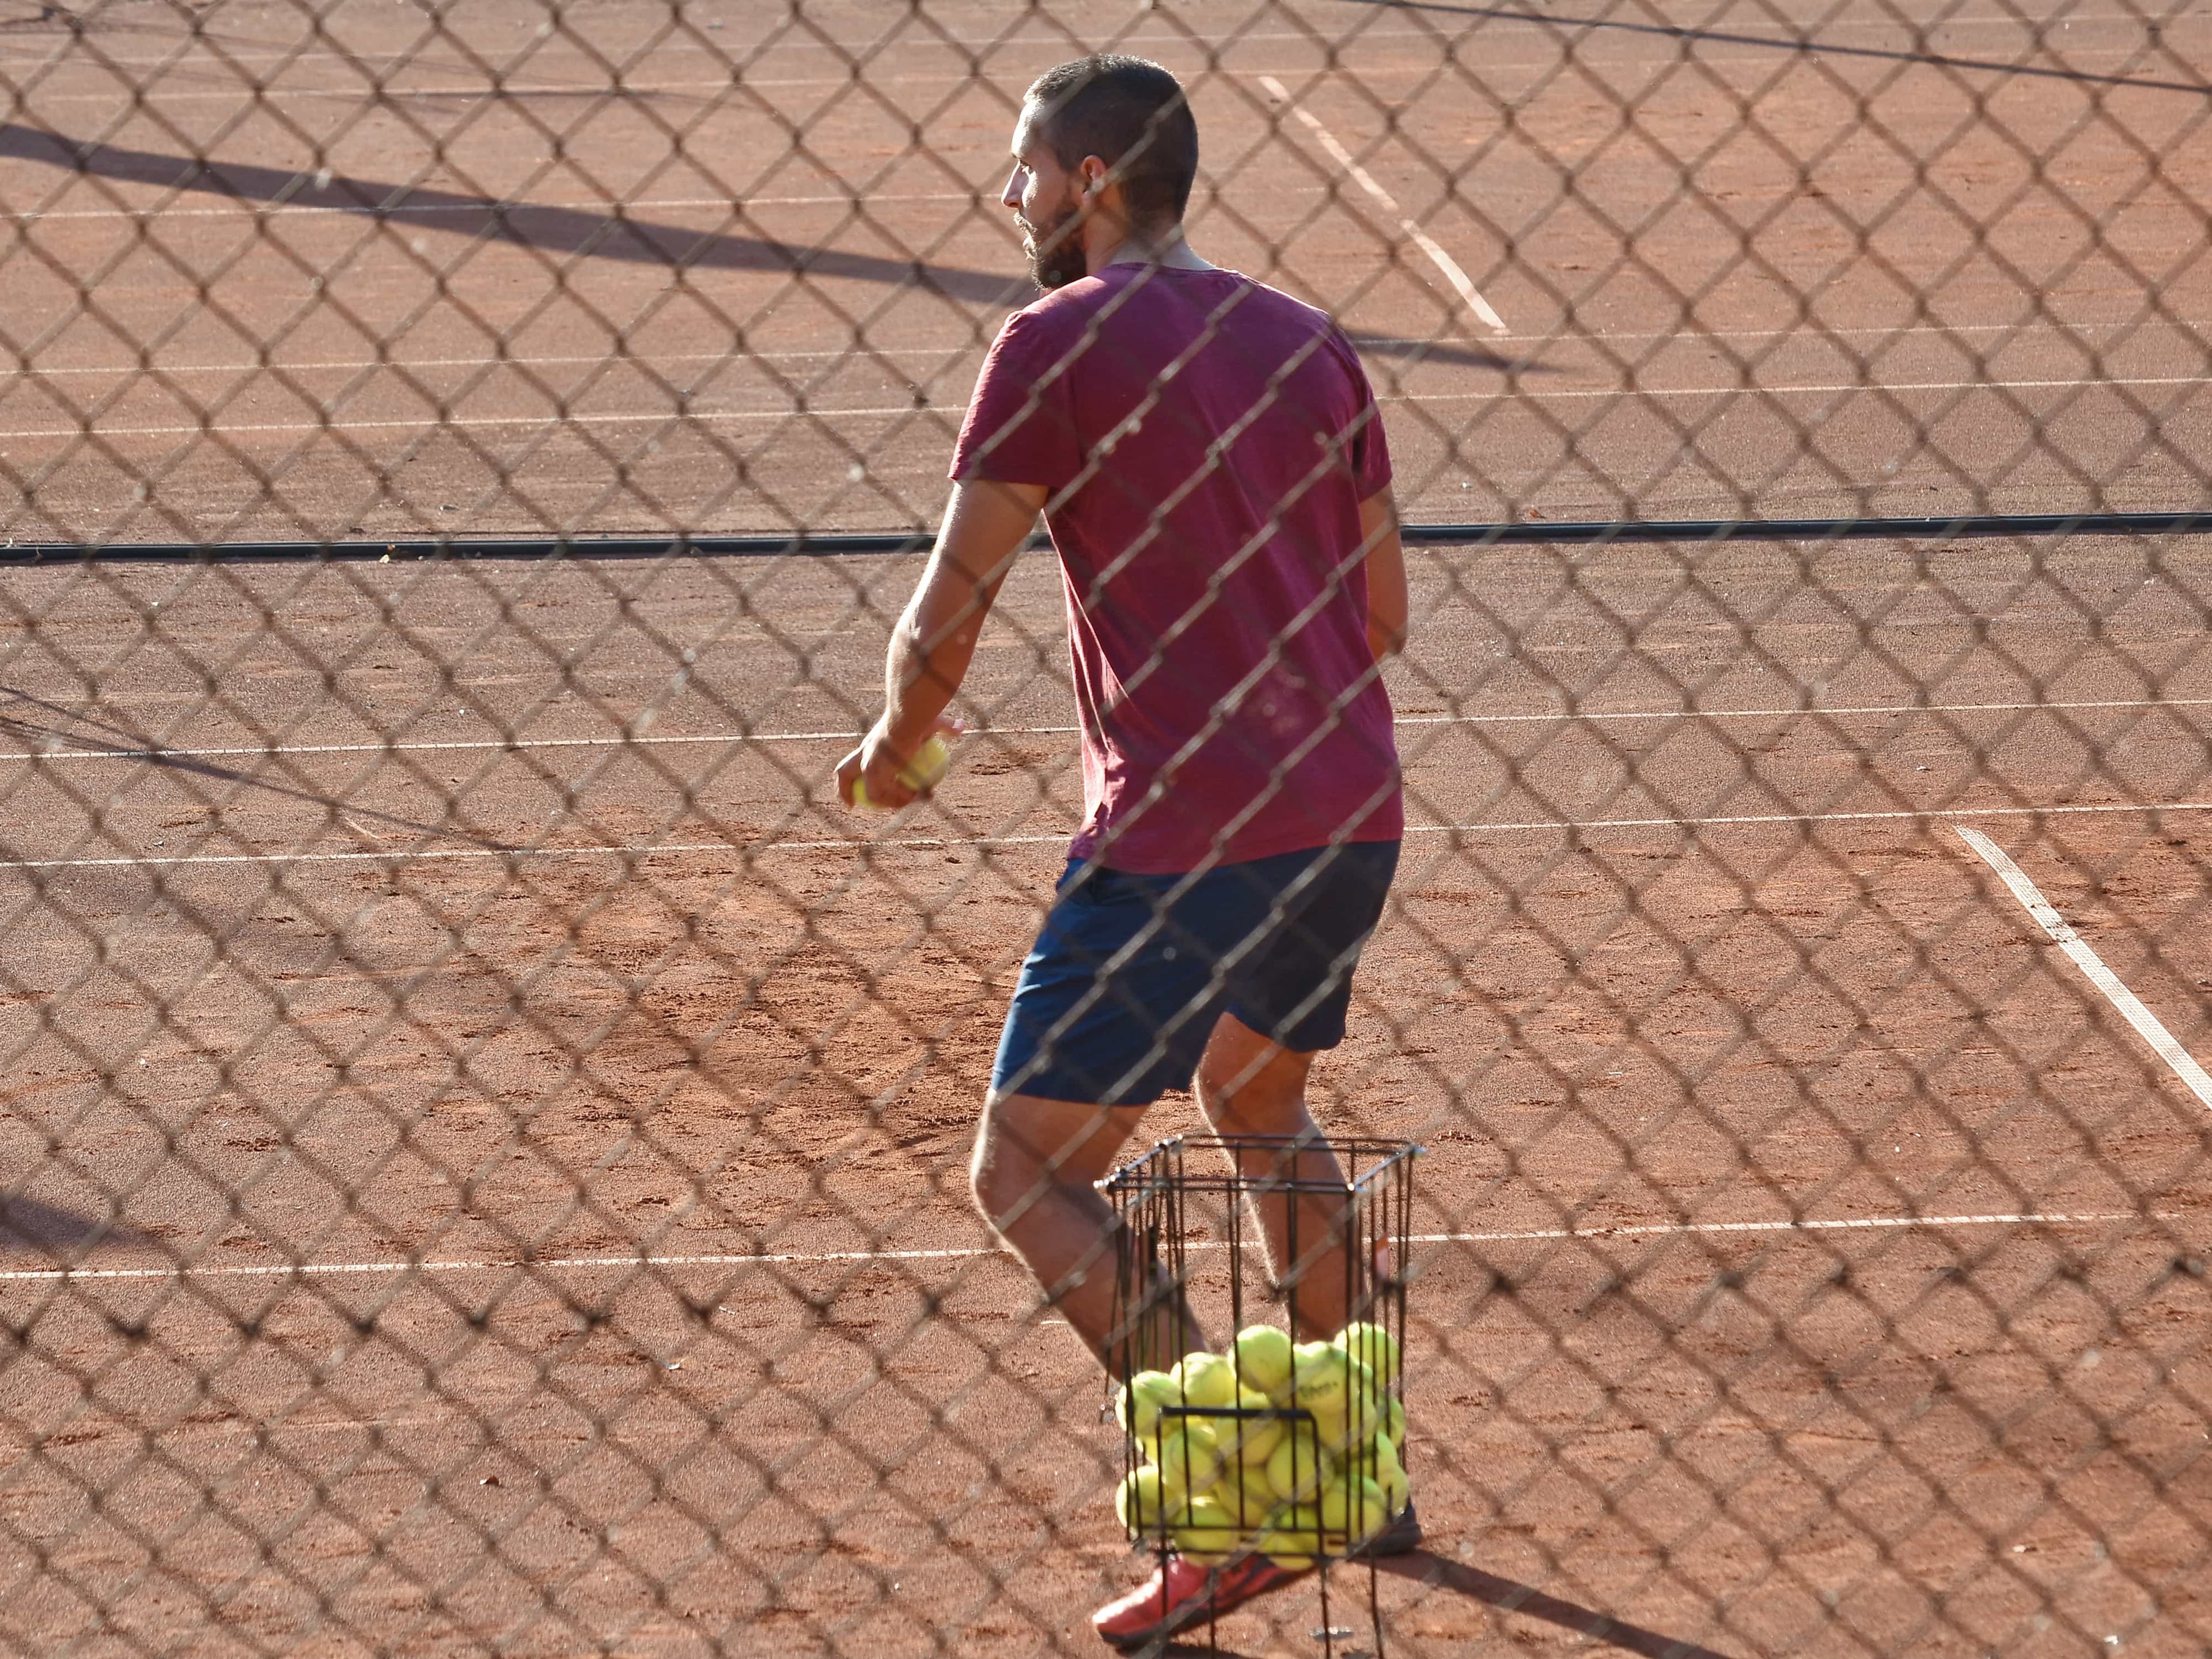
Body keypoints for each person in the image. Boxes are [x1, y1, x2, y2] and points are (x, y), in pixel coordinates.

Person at [836, 53, 1412, 1649]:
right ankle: (1358, 1465)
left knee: (1022, 1169)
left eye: (1023, 171)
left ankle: (1239, 1502)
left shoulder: (1052, 344)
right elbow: (1385, 621)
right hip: (1347, 806)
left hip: (1177, 834)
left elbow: (947, 605)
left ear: (1090, 182)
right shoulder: (1308, 340)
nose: (1009, 198)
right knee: (1260, 1101)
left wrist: (900, 745)